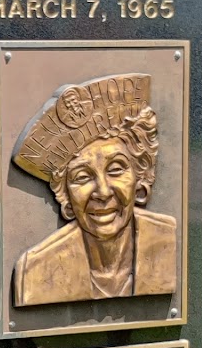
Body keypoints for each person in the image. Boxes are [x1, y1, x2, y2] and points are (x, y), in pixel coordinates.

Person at [11, 73, 178, 306]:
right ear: (65, 198)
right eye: (82, 176)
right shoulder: (37, 270)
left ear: (141, 179)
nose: (102, 192)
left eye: (116, 169)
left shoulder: (169, 241)